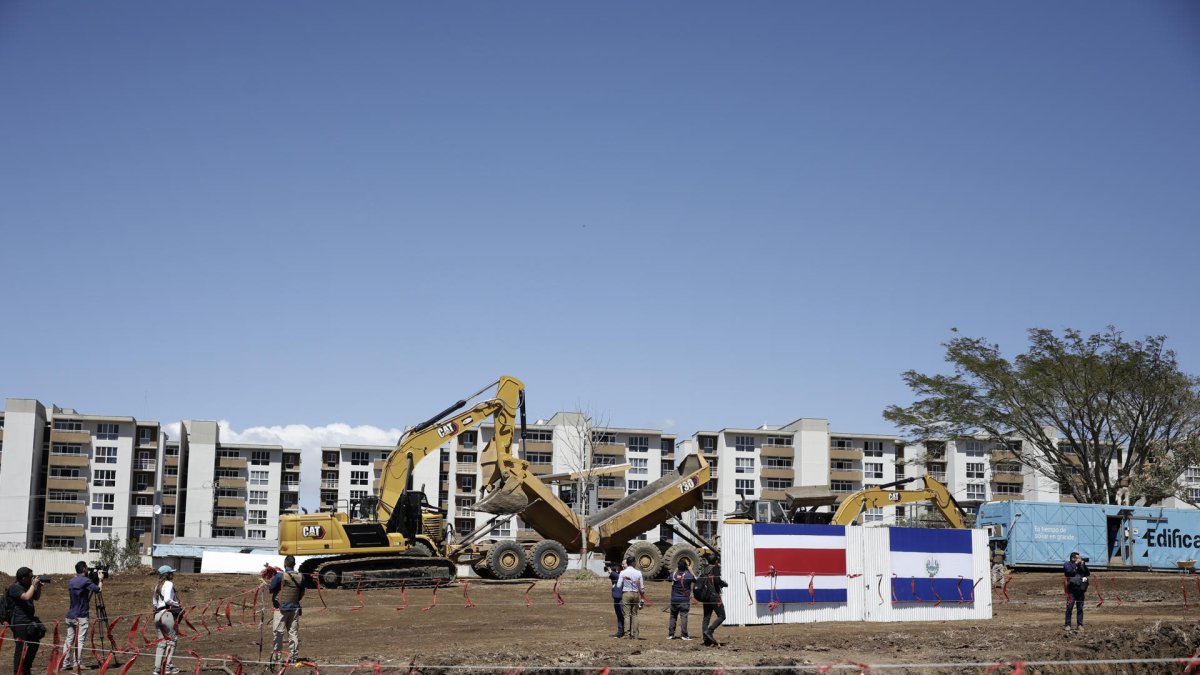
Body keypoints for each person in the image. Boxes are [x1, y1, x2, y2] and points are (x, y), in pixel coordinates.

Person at [63, 562, 102, 670]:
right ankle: (77, 663)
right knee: (80, 640)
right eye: (87, 568)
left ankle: (65, 663)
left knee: (69, 640)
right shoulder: (86, 581)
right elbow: (98, 590)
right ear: (84, 569)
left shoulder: (71, 581)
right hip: (81, 615)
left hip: (70, 614)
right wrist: (100, 580)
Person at [6, 567, 46, 675]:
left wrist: (38, 587)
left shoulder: (28, 586)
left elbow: (36, 597)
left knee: (34, 643)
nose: (32, 578)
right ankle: (17, 672)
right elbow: (26, 597)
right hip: (19, 622)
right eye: (30, 576)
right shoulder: (14, 587)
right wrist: (33, 585)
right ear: (23, 578)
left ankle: (26, 668)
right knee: (20, 647)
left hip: (29, 620)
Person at [268, 555, 305, 665]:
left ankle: (277, 658)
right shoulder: (301, 576)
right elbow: (302, 592)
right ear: (294, 565)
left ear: (285, 564)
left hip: (281, 609)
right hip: (294, 608)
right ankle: (294, 657)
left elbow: (271, 589)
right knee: (293, 633)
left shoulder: (280, 576)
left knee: (278, 633)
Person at [152, 565, 182, 675]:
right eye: (171, 573)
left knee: (161, 643)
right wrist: (177, 604)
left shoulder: (157, 586)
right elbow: (167, 599)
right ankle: (168, 667)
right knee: (172, 640)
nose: (172, 574)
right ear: (167, 574)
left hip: (157, 615)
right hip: (167, 614)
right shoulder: (169, 584)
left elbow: (154, 603)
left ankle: (157, 669)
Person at [699, 553, 728, 647]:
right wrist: (723, 583)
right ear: (716, 561)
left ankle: (706, 639)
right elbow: (716, 581)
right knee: (722, 616)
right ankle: (710, 631)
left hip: (705, 596)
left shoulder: (705, 569)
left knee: (706, 617)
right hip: (714, 596)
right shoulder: (715, 568)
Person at [616, 557, 646, 640]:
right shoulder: (638, 573)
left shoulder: (623, 572)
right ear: (633, 563)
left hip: (626, 593)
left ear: (627, 563)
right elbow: (642, 588)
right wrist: (642, 598)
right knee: (635, 615)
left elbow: (618, 585)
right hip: (636, 594)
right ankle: (636, 635)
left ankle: (627, 634)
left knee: (626, 615)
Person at [667, 559, 695, 641]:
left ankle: (671, 635)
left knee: (672, 617)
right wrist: (691, 570)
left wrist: (675, 572)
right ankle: (684, 635)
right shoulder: (688, 575)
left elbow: (669, 578)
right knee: (684, 617)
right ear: (686, 567)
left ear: (678, 566)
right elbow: (696, 579)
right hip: (684, 600)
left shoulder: (674, 575)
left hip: (674, 599)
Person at [1063, 551, 1089, 632]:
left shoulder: (1081, 565)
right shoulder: (1067, 564)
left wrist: (1083, 565)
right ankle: (1068, 624)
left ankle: (1080, 625)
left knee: (1080, 608)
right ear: (1073, 558)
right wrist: (1076, 565)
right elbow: (1068, 572)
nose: (1079, 559)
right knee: (1069, 607)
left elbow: (1088, 573)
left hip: (1081, 589)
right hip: (1071, 590)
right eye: (1078, 558)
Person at [605, 562, 624, 638]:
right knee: (619, 615)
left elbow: (618, 577)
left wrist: (611, 572)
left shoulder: (622, 574)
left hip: (621, 597)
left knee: (622, 615)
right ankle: (620, 631)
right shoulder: (616, 574)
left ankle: (623, 631)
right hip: (616, 597)